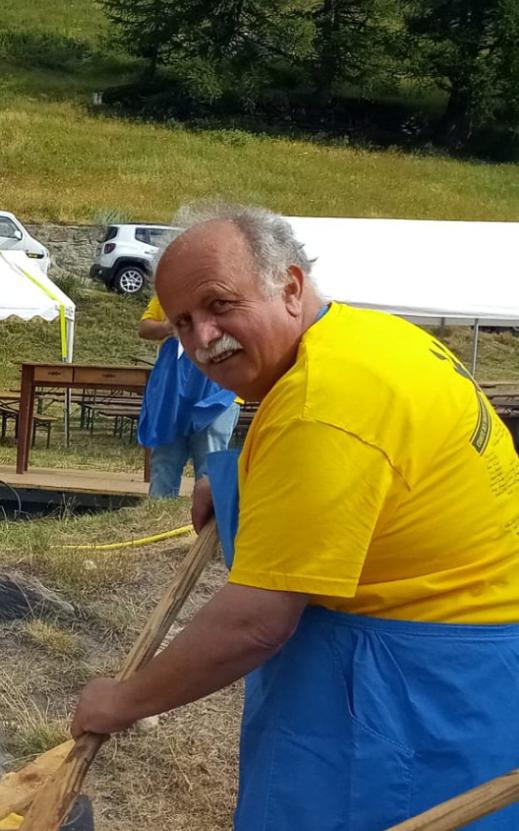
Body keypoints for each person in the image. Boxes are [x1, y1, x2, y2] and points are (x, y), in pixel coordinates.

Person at [69, 205, 519, 830]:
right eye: (183, 323)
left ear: (290, 286)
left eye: (220, 304)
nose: (203, 337)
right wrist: (237, 479)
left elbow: (254, 623)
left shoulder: (324, 405)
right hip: (476, 662)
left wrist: (121, 701)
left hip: (411, 688)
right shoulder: (363, 337)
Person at [135, 291, 238, 497]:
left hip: (218, 390)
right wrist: (168, 327)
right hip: (172, 388)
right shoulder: (170, 290)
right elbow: (144, 328)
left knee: (210, 464)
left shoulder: (234, 290)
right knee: (164, 461)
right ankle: (159, 518)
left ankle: (211, 524)